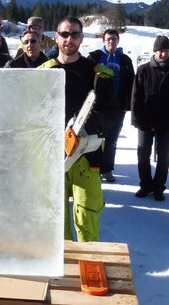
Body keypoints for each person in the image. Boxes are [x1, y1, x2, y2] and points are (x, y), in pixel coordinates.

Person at [39, 16, 117, 242]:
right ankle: (61, 260)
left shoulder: (97, 74)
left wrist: (91, 125)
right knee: (55, 219)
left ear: (81, 38)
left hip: (87, 156)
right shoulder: (43, 72)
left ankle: (88, 258)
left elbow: (112, 112)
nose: (69, 39)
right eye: (64, 34)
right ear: (56, 37)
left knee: (87, 215)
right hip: (52, 155)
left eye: (74, 34)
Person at [131, 35, 169, 201]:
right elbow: (136, 96)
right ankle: (145, 184)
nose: (163, 54)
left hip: (168, 120)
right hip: (146, 120)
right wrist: (136, 118)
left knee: (164, 157)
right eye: (160, 51)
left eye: (166, 51)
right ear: (154, 51)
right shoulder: (143, 70)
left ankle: (159, 187)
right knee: (143, 154)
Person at [88, 29, 135, 183]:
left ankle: (107, 169)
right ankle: (94, 168)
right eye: (108, 39)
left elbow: (131, 83)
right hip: (96, 107)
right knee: (94, 139)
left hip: (117, 107)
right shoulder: (95, 57)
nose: (111, 41)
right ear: (103, 41)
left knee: (111, 140)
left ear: (118, 41)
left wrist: (127, 104)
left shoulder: (125, 60)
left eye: (114, 39)